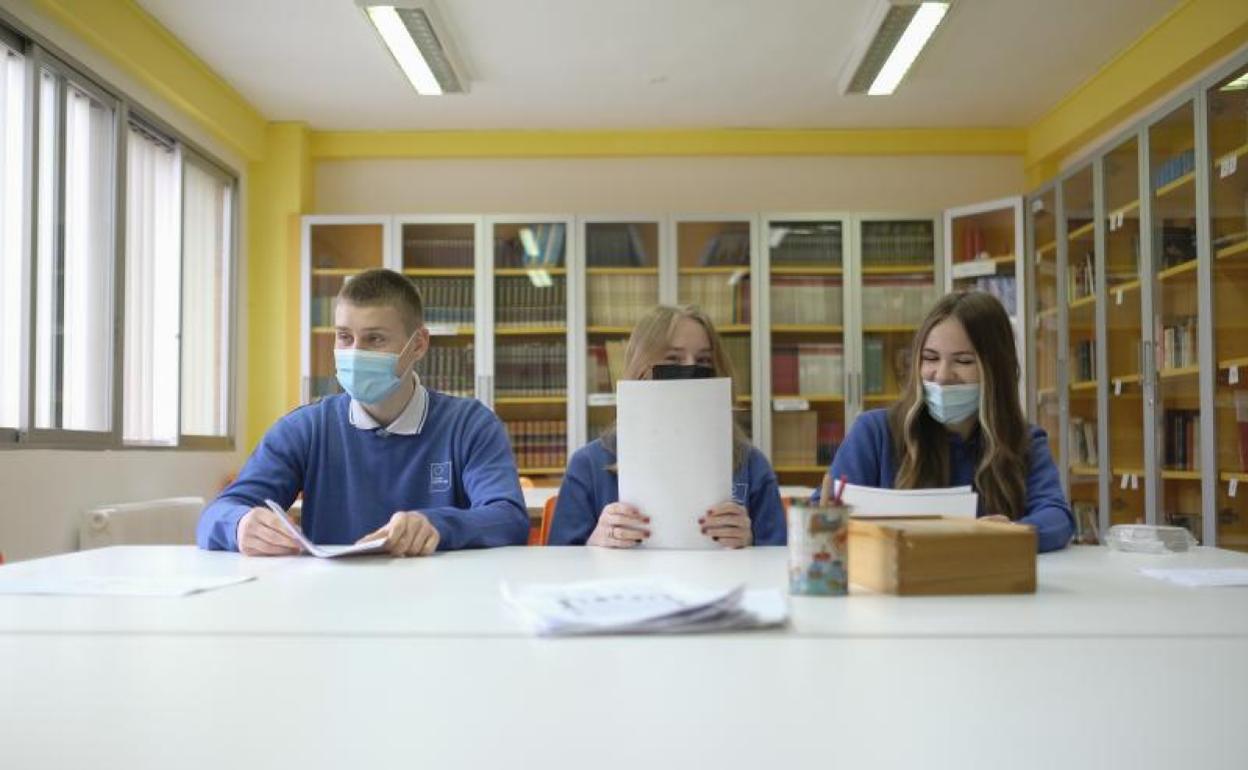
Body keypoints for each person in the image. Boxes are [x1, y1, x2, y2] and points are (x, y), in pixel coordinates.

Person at [197, 268, 529, 556]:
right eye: (344, 337)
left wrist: (437, 525)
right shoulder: (307, 428)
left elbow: (508, 518)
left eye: (375, 339)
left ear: (418, 345)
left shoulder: (469, 425)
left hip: (436, 602)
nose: (355, 353)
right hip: (333, 603)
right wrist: (240, 525)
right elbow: (218, 514)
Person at [823, 291, 1074, 552]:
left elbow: (1057, 518)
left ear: (997, 369)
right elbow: (825, 512)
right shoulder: (874, 433)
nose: (942, 376)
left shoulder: (1025, 442)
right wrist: (826, 517)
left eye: (964, 361)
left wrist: (1013, 533)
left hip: (987, 586)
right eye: (930, 358)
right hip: (893, 584)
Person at [549, 305, 786, 548]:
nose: (691, 369)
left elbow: (781, 561)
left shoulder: (751, 464)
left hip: (720, 585)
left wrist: (751, 543)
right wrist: (594, 543)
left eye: (704, 360)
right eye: (673, 359)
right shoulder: (588, 464)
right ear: (641, 371)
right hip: (626, 586)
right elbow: (557, 566)